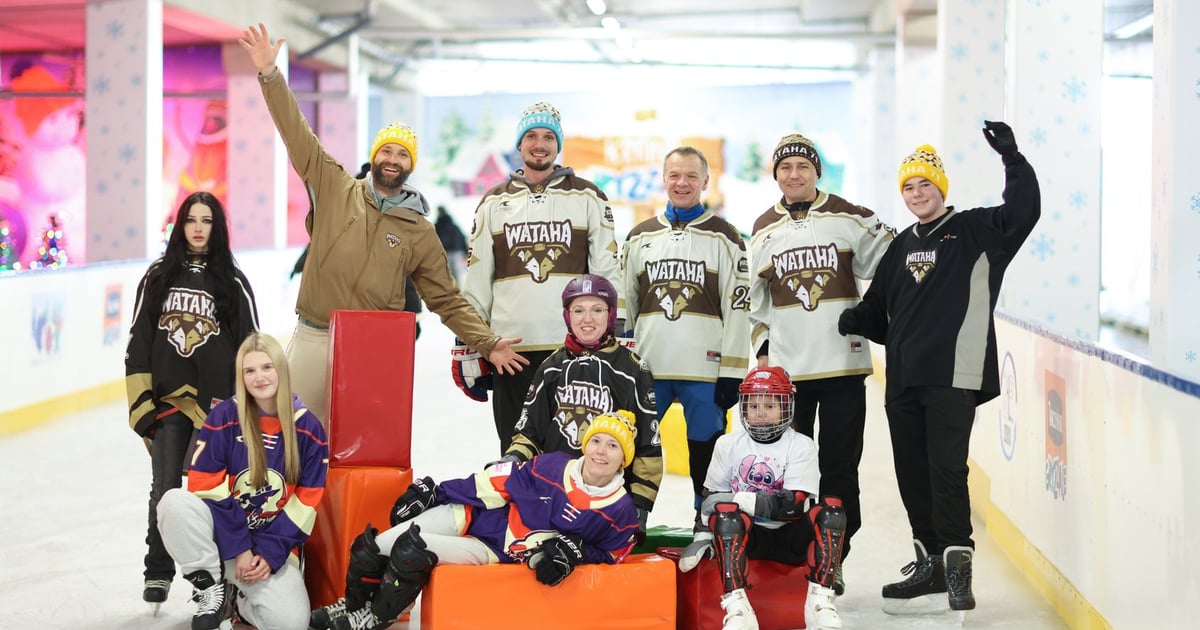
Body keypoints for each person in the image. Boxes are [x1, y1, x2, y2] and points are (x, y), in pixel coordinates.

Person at [238, 23, 527, 429]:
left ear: (410, 166)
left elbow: (445, 299)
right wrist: (270, 74)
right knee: (293, 436)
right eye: (387, 151)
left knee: (363, 447)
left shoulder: (418, 230)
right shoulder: (334, 185)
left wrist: (487, 341)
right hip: (314, 335)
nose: (393, 159)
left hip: (371, 346)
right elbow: (296, 134)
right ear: (375, 156)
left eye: (403, 155)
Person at [837, 121, 1040, 614]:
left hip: (954, 374)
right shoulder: (900, 245)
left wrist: (1012, 158)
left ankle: (957, 568)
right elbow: (882, 310)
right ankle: (928, 562)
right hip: (904, 378)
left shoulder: (975, 230)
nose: (916, 193)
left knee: (945, 469)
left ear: (940, 187)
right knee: (910, 473)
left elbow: (1025, 211)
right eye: (908, 186)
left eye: (924, 183)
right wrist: (842, 316)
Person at [309, 411, 641, 630]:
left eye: (613, 446)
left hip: (497, 552)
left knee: (411, 551)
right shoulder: (553, 467)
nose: (601, 451)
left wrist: (579, 550)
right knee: (371, 547)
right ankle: (353, 607)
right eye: (596, 440)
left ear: (624, 459)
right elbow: (493, 482)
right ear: (585, 443)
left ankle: (373, 618)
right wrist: (437, 492)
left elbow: (613, 553)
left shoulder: (620, 511)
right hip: (480, 518)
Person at [746, 132, 895, 594]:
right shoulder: (763, 228)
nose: (794, 175)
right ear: (776, 175)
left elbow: (894, 261)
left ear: (816, 173)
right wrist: (764, 349)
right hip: (789, 376)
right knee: (786, 467)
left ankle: (835, 557)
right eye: (785, 168)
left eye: (803, 167)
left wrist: (872, 314)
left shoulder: (850, 216)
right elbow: (754, 301)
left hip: (843, 369)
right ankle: (793, 553)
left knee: (839, 469)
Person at [458, 100, 622, 452]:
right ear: (519, 145)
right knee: (515, 453)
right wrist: (469, 342)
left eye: (548, 136)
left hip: (574, 349)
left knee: (574, 453)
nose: (539, 144)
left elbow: (608, 273)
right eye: (531, 136)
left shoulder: (588, 196)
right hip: (509, 352)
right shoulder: (492, 202)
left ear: (558, 144)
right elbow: (477, 280)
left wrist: (617, 330)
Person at [125, 191, 259, 610]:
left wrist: (245, 406)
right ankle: (157, 571)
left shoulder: (232, 282)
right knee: (164, 491)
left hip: (217, 410)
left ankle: (217, 579)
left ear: (217, 228)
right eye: (191, 220)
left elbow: (251, 346)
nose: (198, 228)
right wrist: (141, 404)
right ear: (180, 225)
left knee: (215, 495)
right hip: (167, 405)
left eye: (207, 220)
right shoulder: (157, 276)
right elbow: (139, 341)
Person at [156, 333, 329, 630]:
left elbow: (304, 507)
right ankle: (211, 587)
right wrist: (239, 548)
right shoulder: (224, 417)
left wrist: (269, 552)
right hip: (223, 546)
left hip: (267, 552)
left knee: (291, 623)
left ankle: (240, 604)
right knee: (173, 503)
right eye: (249, 370)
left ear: (281, 370)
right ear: (241, 376)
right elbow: (205, 486)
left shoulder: (309, 430)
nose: (259, 377)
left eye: (266, 367)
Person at [621, 146, 751, 510]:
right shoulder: (639, 237)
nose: (683, 183)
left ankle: (705, 522)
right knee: (637, 448)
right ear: (663, 180)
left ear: (706, 182)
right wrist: (622, 362)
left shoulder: (725, 237)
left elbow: (739, 306)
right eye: (675, 175)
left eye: (692, 176)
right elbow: (624, 306)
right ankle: (631, 519)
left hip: (705, 371)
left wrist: (733, 372)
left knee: (705, 451)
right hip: (648, 368)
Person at [674, 366, 847, 630]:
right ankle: (737, 608)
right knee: (727, 517)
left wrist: (739, 498)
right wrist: (701, 538)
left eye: (769, 406)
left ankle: (819, 601)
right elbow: (710, 500)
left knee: (832, 511)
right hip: (749, 537)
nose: (761, 413)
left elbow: (793, 505)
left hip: (790, 538)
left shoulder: (801, 445)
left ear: (786, 406)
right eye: (753, 406)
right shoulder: (727, 444)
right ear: (743, 408)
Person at [500, 274, 662, 534]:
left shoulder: (633, 370)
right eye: (579, 310)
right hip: (554, 492)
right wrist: (511, 459)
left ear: (610, 316)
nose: (587, 319)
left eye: (597, 310)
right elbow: (529, 433)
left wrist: (639, 506)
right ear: (568, 316)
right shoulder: (551, 367)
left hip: (607, 499)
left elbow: (648, 446)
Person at [434, 205, 468, 285]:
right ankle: (458, 292)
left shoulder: (436, 227)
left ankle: (452, 293)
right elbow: (462, 238)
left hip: (445, 253)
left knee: (447, 275)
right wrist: (466, 252)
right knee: (456, 274)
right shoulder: (454, 226)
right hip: (456, 252)